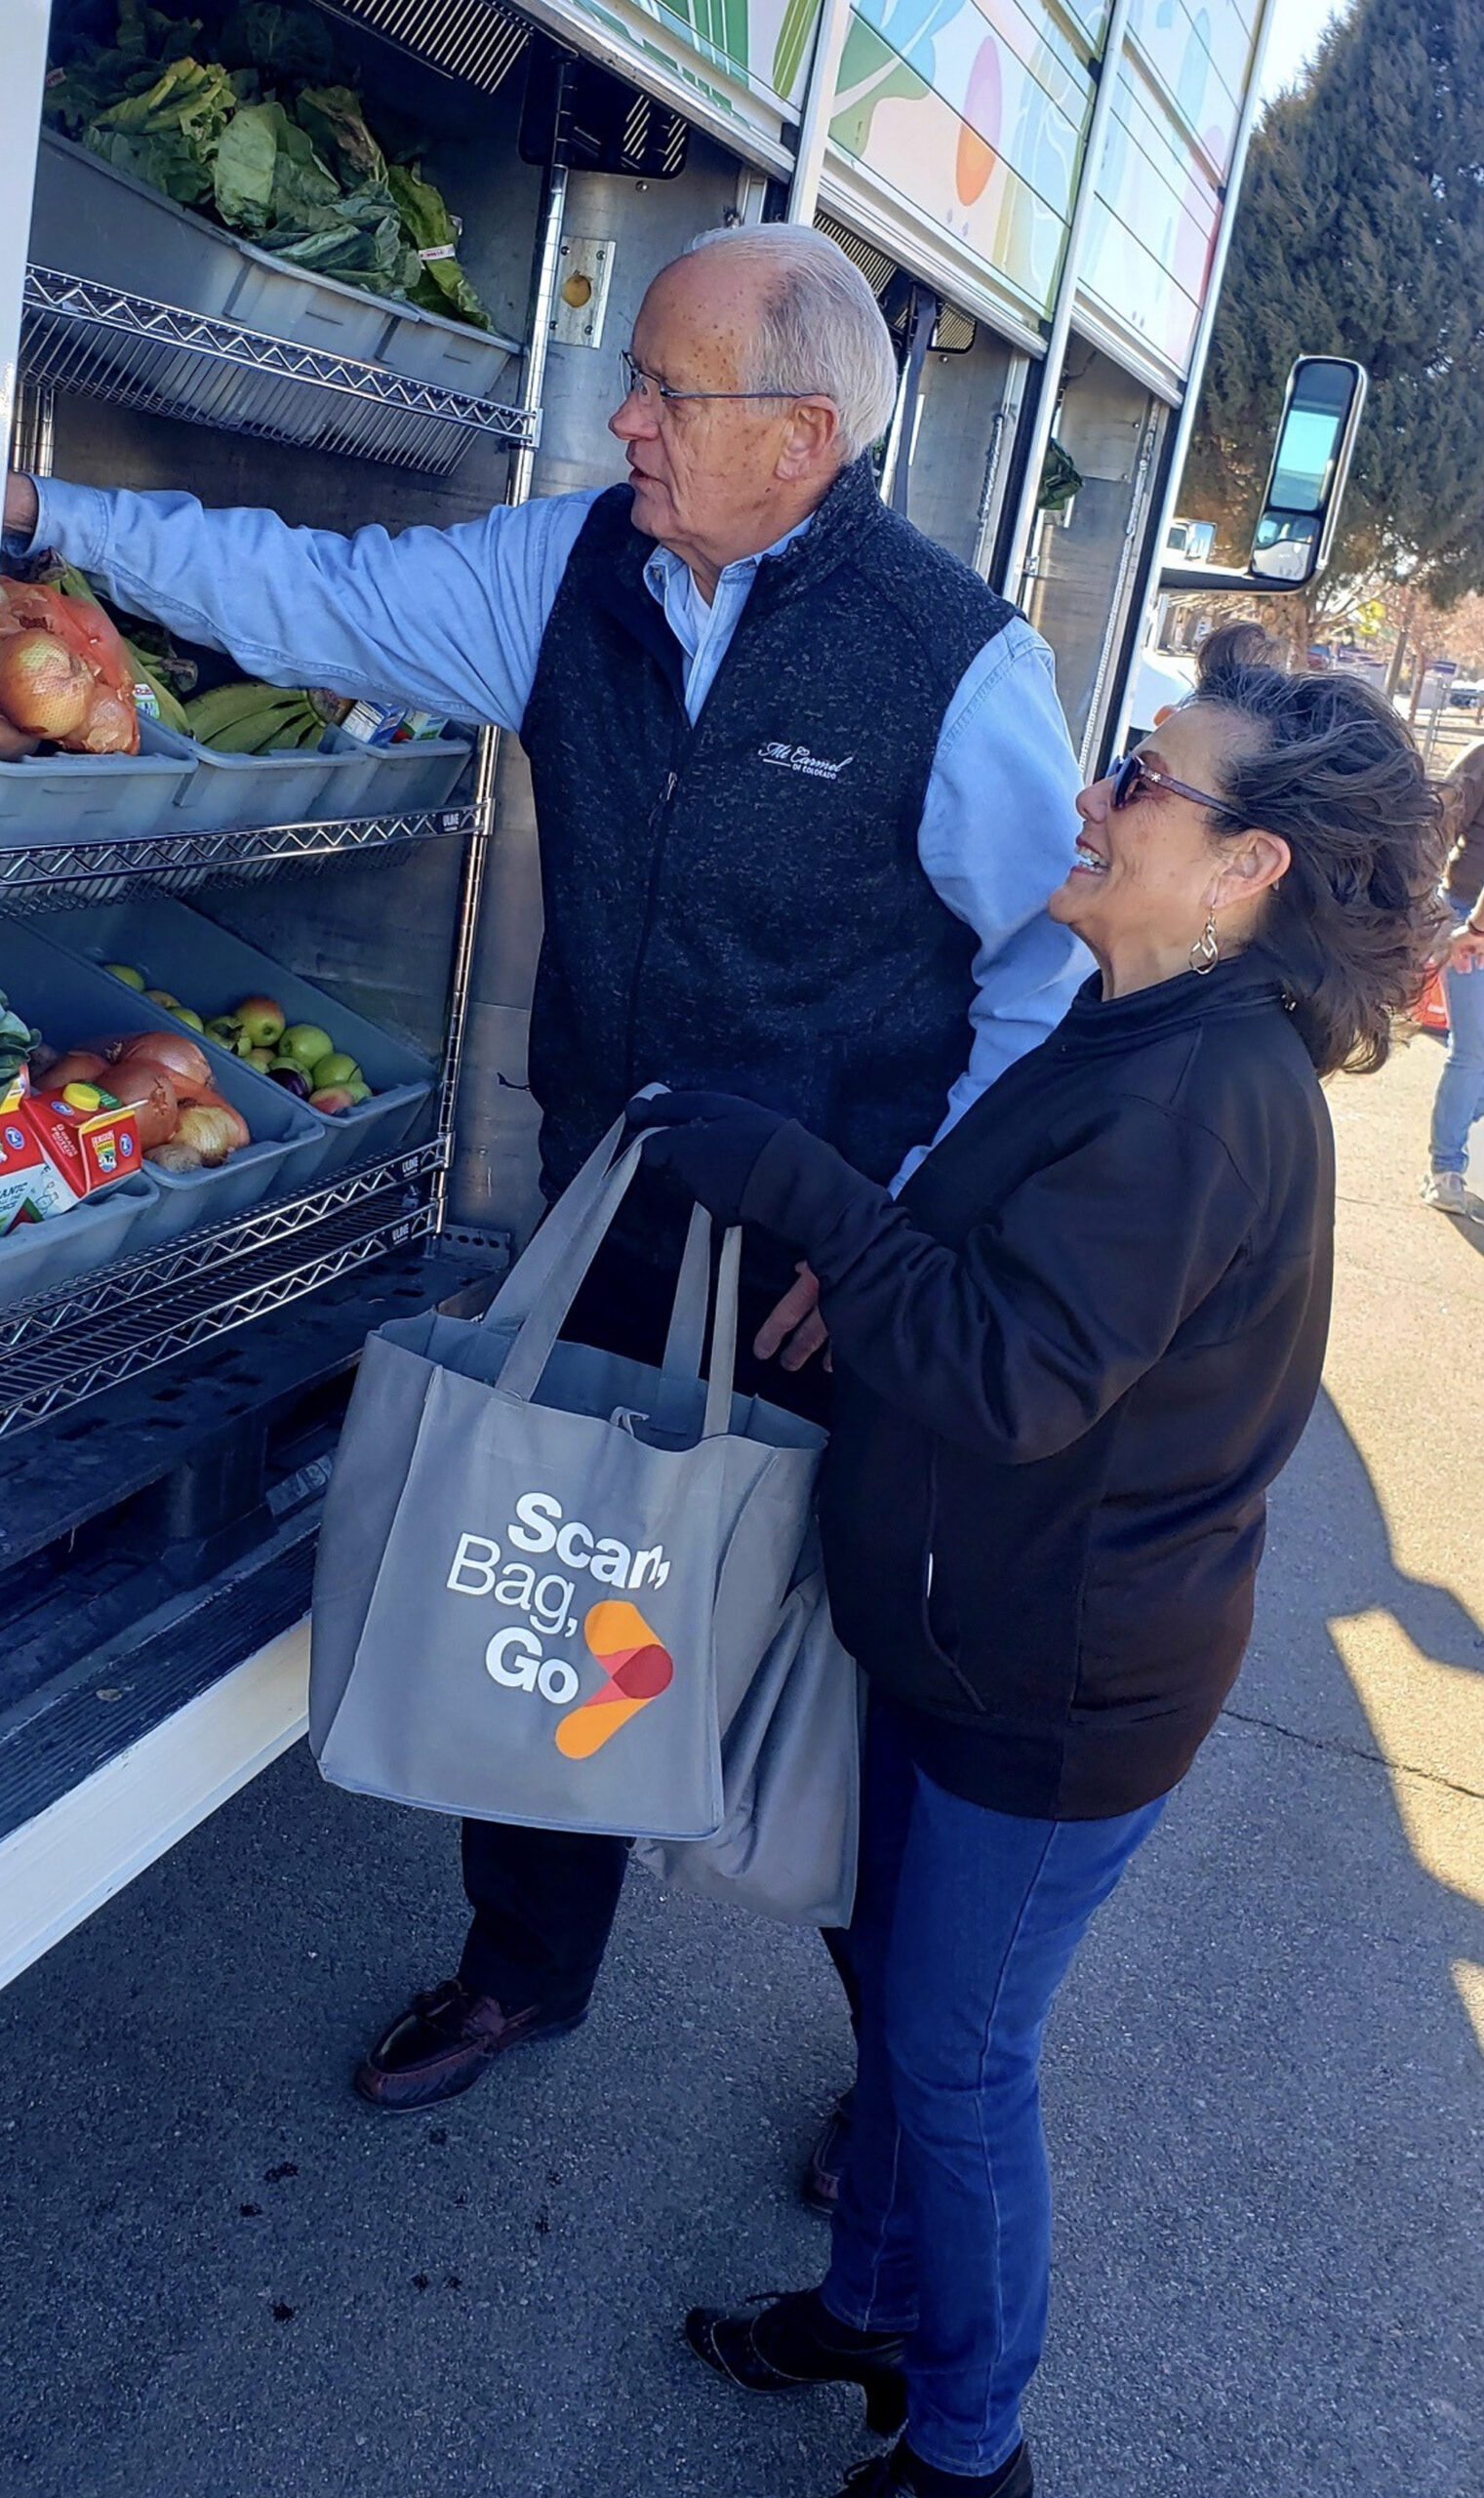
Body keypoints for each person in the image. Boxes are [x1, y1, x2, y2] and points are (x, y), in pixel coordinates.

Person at [2, 223, 1088, 2129]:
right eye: (635, 381)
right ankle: (522, 1964)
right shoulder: (569, 571)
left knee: (839, 1668)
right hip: (614, 1199)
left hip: (833, 1259)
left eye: (671, 391)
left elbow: (1041, 974)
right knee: (557, 1579)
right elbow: (313, 590)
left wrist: (901, 1226)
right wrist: (48, 511)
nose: (625, 419)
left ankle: (906, 2073)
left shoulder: (954, 660)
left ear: (804, 435)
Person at [630, 624, 1444, 2498]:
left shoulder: (1195, 1092)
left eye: (1144, 777)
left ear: (1248, 868)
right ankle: (869, 2309)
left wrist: (797, 1189)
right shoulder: (1139, 1022)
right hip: (963, 1643)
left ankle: (971, 2448)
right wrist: (873, 1261)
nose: (1097, 793)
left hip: (1052, 1697)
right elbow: (1010, 1277)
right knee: (912, 2026)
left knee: (957, 2057)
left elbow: (1014, 1376)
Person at [1422, 736, 1484, 1213]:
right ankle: (1446, 1168)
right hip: (1471, 917)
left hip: (1473, 921)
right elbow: (1438, 822)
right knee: (1472, 1050)